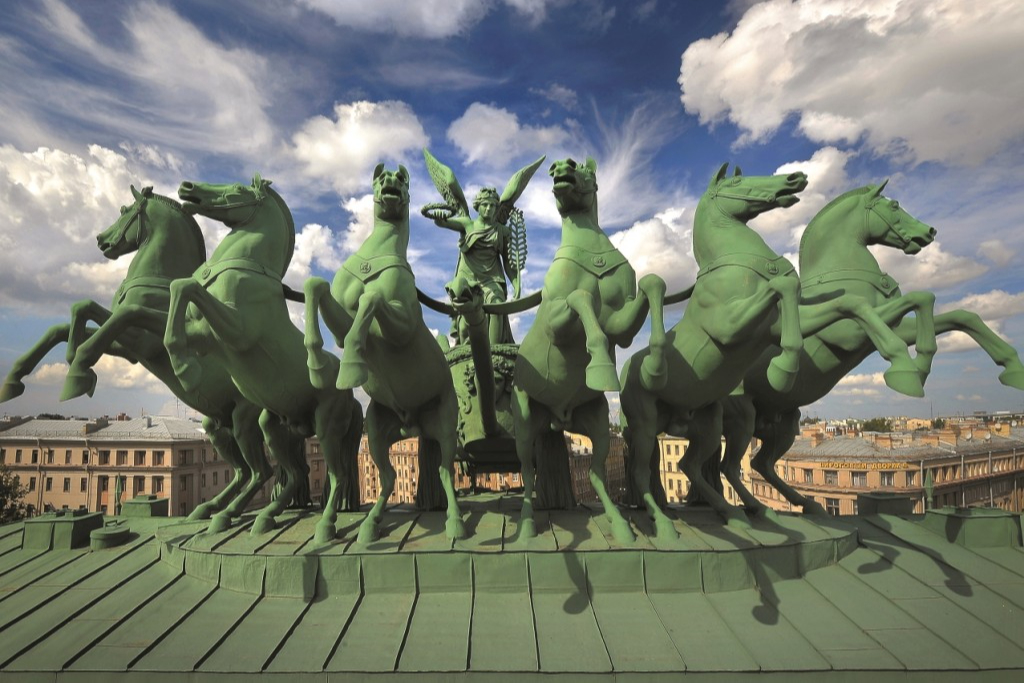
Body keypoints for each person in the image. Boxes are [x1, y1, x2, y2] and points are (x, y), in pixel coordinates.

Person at [431, 187, 519, 345]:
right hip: (468, 280)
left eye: (492, 205)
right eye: (485, 204)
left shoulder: (501, 231)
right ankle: (466, 347)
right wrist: (439, 218)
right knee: (464, 322)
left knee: (497, 305)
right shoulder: (467, 224)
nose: (488, 208)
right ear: (478, 206)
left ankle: (494, 350)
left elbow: (507, 261)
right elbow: (443, 223)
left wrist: (516, 283)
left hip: (491, 280)